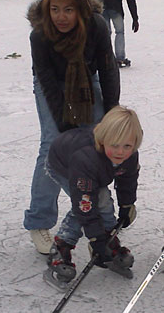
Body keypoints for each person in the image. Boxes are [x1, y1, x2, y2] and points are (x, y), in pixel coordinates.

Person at [23, 0, 121, 255]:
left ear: (80, 7)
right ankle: (39, 220)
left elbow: (108, 68)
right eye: (54, 9)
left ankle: (99, 213)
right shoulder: (39, 35)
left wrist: (112, 112)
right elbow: (47, 82)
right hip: (50, 84)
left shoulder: (97, 26)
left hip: (87, 80)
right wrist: (65, 127)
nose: (61, 17)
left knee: (98, 141)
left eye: (68, 9)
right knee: (53, 146)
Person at [44, 106, 141, 286]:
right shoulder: (85, 158)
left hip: (93, 172)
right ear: (104, 140)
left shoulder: (130, 156)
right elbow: (84, 203)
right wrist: (96, 238)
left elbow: (127, 180)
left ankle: (108, 240)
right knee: (95, 201)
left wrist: (127, 205)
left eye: (127, 146)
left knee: (100, 199)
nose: (121, 151)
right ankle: (61, 246)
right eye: (115, 145)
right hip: (63, 165)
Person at [91, 0, 139, 68]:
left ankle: (105, 57)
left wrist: (94, 8)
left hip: (103, 9)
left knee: (106, 33)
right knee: (119, 32)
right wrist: (135, 19)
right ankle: (120, 58)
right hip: (116, 10)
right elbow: (131, 2)